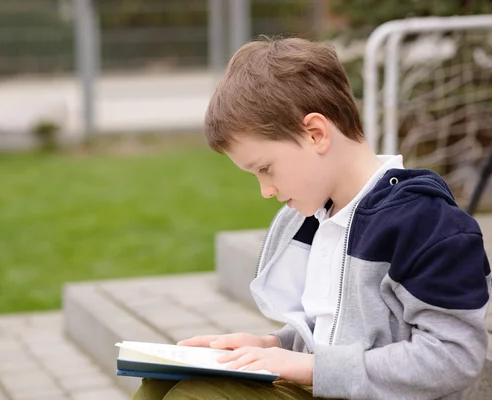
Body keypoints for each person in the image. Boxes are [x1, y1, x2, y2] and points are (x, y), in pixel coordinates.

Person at [131, 36, 491, 399]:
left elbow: (454, 358)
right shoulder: (316, 219)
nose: (265, 190)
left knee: (203, 396)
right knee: (161, 381)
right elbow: (334, 332)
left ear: (316, 133)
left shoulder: (426, 224)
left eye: (265, 168)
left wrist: (309, 368)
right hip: (325, 389)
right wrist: (270, 344)